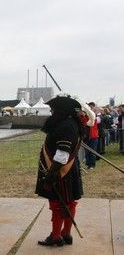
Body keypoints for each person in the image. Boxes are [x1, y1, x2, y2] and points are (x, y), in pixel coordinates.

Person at [36, 95, 85, 246]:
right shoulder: (70, 123)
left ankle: (57, 236)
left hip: (61, 172)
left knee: (58, 204)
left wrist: (51, 176)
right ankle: (66, 234)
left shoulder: (66, 126)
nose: (51, 112)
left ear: (62, 110)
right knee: (69, 202)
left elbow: (62, 154)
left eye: (54, 109)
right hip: (68, 171)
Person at [84, 102, 99, 169]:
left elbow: (91, 122)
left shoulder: (93, 116)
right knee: (87, 152)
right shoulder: (84, 117)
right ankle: (88, 164)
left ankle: (92, 165)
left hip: (93, 136)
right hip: (86, 136)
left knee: (92, 151)